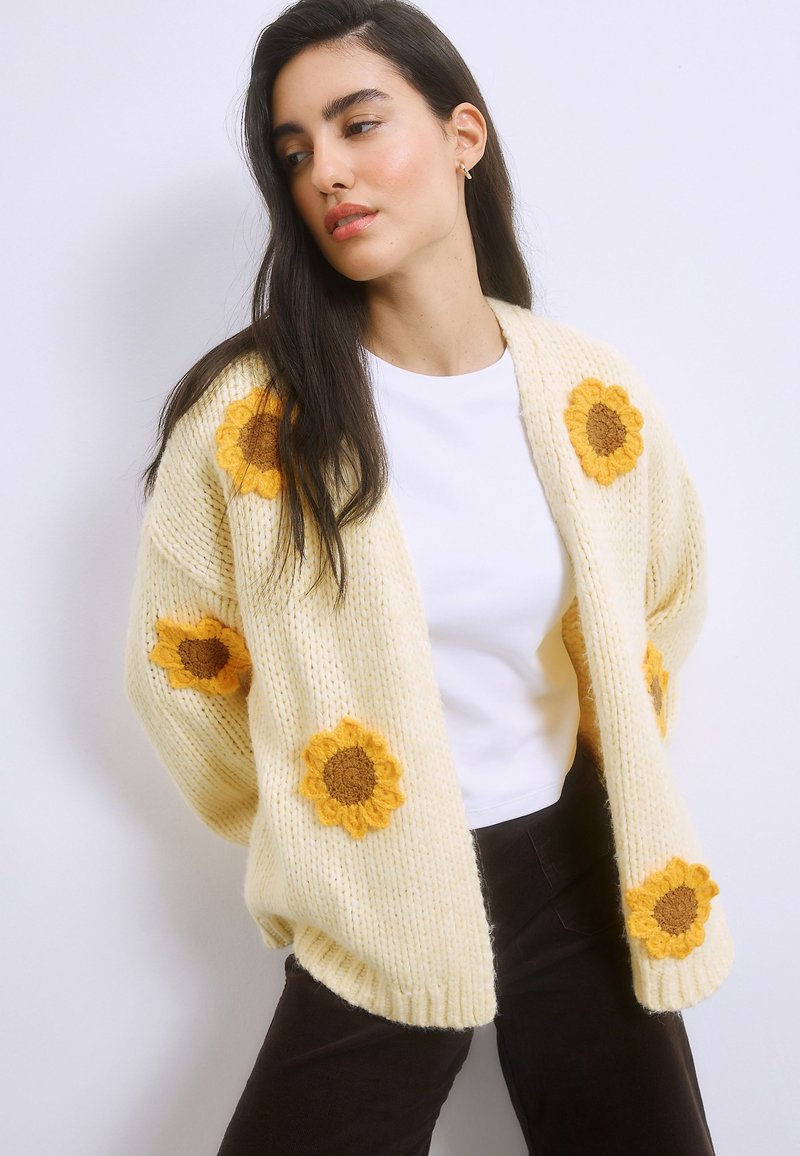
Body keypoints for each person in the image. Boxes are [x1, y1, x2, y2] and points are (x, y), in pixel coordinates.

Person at [123, 1, 735, 1151]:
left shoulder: (588, 394)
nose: (325, 172)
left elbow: (659, 604)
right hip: (374, 885)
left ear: (463, 136)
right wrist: (324, 828)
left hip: (574, 864)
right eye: (294, 151)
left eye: (358, 125)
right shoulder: (250, 423)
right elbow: (185, 677)